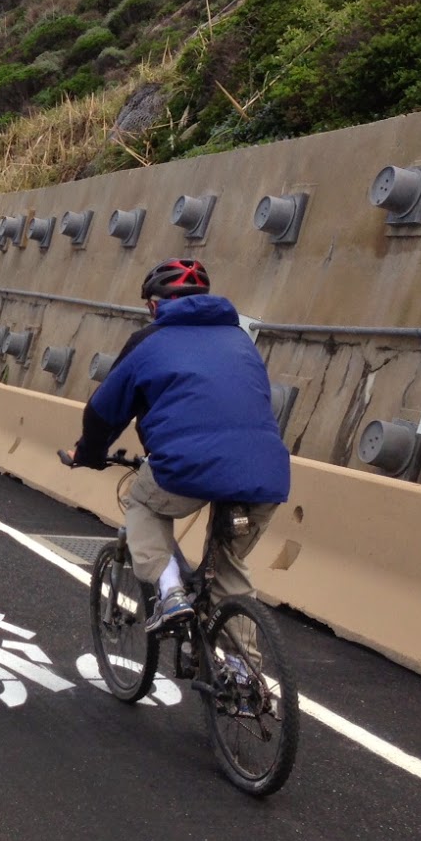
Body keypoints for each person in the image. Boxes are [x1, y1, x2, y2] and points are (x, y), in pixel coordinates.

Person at [65, 258, 290, 632]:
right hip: (264, 469)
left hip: (188, 464)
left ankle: (170, 592)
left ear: (155, 305)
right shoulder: (240, 340)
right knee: (227, 567)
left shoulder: (149, 341)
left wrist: (88, 453)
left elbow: (104, 410)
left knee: (141, 503)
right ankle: (240, 663)